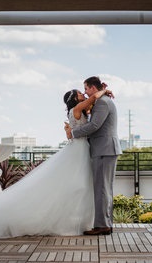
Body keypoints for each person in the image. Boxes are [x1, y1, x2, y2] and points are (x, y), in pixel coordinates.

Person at [0, 88, 109, 238]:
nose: (83, 94)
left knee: (78, 186)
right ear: (74, 99)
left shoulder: (77, 110)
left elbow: (84, 117)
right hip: (79, 150)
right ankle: (76, 222)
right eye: (79, 93)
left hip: (79, 147)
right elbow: (94, 97)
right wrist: (105, 90)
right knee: (78, 185)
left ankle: (80, 220)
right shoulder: (77, 108)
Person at [65, 76, 122, 236]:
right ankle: (106, 224)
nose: (85, 92)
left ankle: (102, 225)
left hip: (104, 149)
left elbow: (95, 125)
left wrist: (73, 133)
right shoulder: (101, 101)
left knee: (102, 189)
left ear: (93, 88)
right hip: (105, 149)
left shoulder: (103, 102)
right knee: (105, 188)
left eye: (86, 89)